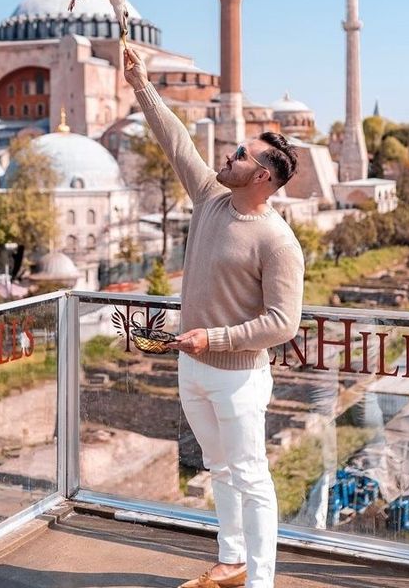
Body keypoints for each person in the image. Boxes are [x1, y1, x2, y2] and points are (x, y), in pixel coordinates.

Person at [123, 47, 305, 588]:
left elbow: (283, 322)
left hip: (239, 377)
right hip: (193, 368)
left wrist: (217, 337)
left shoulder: (278, 241)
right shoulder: (209, 198)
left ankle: (261, 581)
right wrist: (141, 83)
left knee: (251, 478)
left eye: (240, 156)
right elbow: (175, 138)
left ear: (264, 176)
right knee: (219, 470)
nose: (227, 158)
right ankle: (232, 560)